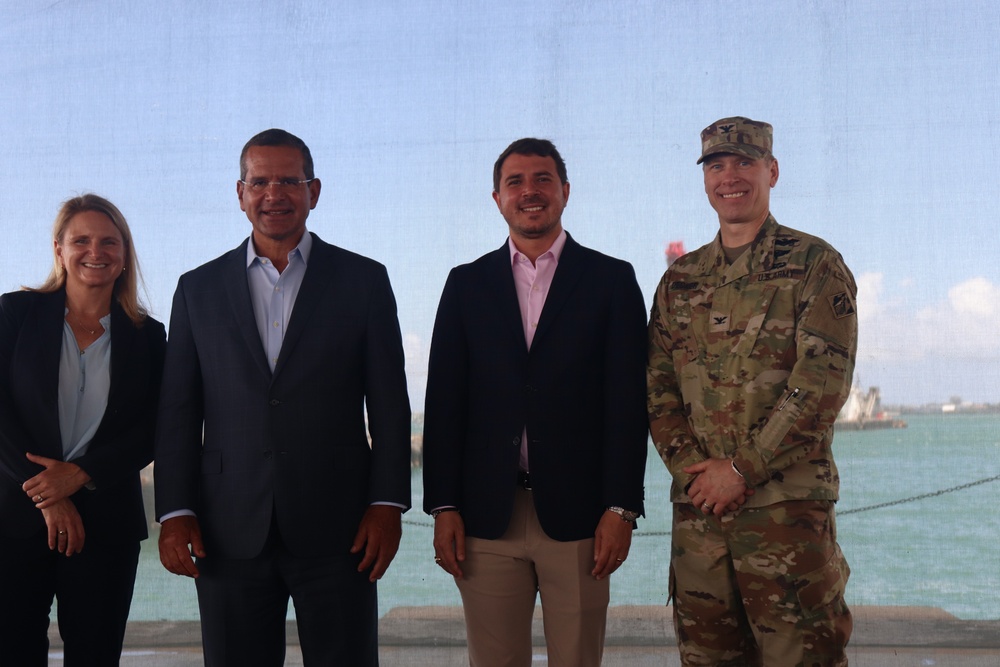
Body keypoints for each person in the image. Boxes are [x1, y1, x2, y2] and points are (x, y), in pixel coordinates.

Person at [153, 128, 412, 666]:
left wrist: (387, 504)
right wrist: (175, 510)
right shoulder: (196, 289)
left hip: (341, 528)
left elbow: (389, 406)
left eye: (289, 181)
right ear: (241, 193)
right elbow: (178, 411)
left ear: (314, 191)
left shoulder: (364, 281)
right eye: (261, 181)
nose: (275, 193)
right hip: (225, 529)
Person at [422, 138, 649, 667]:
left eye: (543, 179)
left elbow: (627, 405)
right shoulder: (465, 285)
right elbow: (445, 403)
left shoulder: (611, 281)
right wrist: (443, 505)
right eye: (515, 182)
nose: (530, 192)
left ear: (565, 191)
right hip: (485, 519)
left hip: (582, 519)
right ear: (497, 198)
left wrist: (621, 507)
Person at [647, 116, 856, 666]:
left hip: (786, 522)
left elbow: (821, 386)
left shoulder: (815, 265)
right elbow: (658, 389)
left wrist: (739, 470)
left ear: (772, 170)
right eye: (717, 165)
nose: (730, 176)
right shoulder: (679, 280)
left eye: (744, 161)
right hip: (701, 525)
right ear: (705, 179)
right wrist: (694, 471)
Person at [0, 194, 166, 666]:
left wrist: (81, 474)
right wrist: (49, 495)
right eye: (82, 240)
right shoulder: (14, 314)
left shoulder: (149, 337)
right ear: (59, 249)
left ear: (125, 253)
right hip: (11, 520)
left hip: (107, 525)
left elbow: (155, 426)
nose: (97, 251)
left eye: (109, 241)